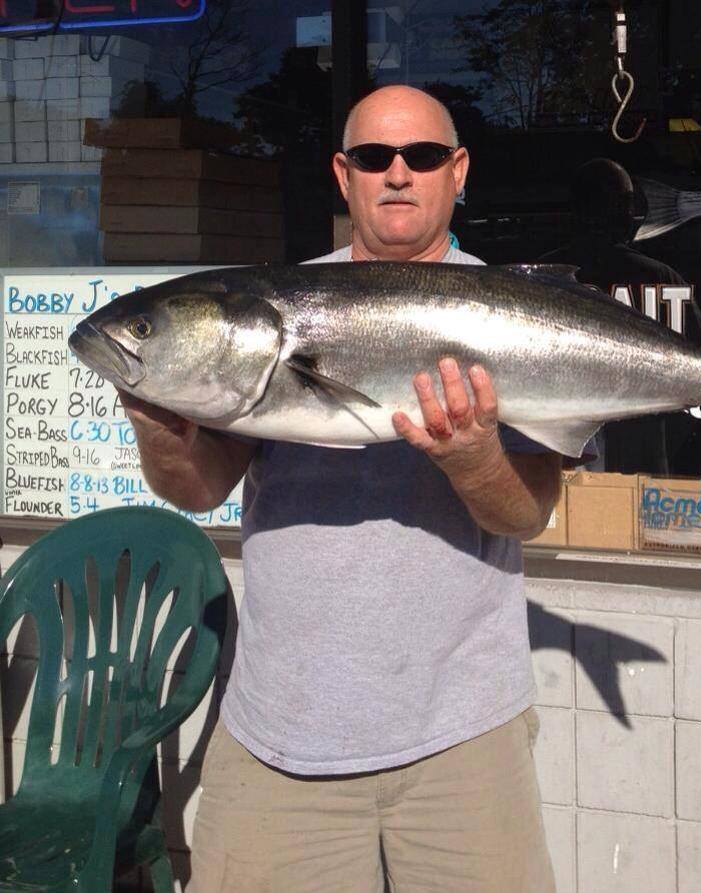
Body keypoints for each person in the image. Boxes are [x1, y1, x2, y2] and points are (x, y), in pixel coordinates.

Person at [120, 85, 560, 892]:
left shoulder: (522, 319)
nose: (398, 174)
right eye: (372, 157)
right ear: (343, 174)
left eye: (422, 156)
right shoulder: (273, 309)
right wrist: (160, 428)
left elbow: (522, 513)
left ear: (456, 172)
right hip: (282, 735)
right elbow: (198, 487)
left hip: (463, 735)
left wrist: (470, 459)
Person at [540, 158, 701, 476]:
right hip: (626, 448)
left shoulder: (542, 280)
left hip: (570, 448)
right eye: (624, 203)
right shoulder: (662, 279)